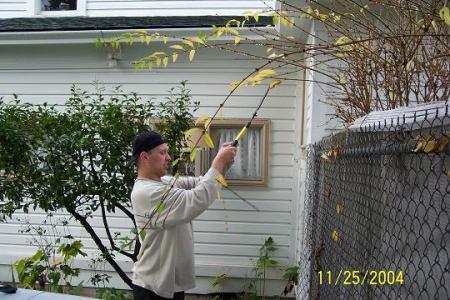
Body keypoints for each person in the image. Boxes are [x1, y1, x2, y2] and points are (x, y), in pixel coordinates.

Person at [130, 130, 237, 300]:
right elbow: (196, 199)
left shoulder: (164, 182)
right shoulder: (146, 192)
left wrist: (222, 163)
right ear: (145, 157)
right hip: (153, 288)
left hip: (169, 283)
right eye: (162, 152)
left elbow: (202, 183)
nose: (169, 157)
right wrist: (219, 161)